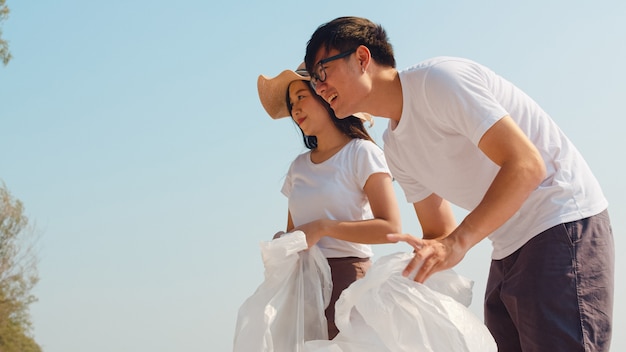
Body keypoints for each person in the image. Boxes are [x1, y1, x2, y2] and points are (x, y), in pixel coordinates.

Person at [303, 16, 614, 352]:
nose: (319, 87)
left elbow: (526, 165)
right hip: (506, 246)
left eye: (321, 71)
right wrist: (399, 279)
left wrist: (457, 243)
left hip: (561, 223)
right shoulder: (394, 146)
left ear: (362, 58)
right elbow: (439, 230)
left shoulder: (438, 81)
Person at [256, 63, 402, 339]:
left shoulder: (362, 153)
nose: (295, 109)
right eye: (291, 103)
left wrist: (324, 227)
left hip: (348, 283)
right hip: (302, 287)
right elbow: (296, 232)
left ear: (325, 94)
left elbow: (391, 228)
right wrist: (283, 240)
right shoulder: (298, 168)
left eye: (301, 96)